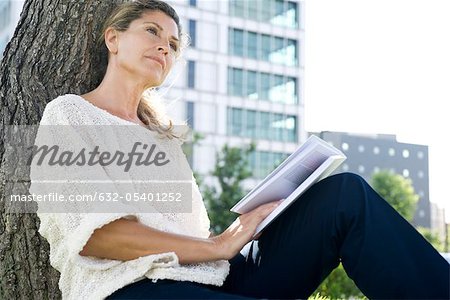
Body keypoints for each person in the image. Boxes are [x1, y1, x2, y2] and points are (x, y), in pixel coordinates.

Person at [31, 1, 449, 299]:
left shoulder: (164, 137)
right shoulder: (69, 114)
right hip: (133, 287)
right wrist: (219, 246)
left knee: (345, 194)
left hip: (215, 275)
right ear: (113, 39)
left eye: (174, 45)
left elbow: (192, 236)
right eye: (153, 31)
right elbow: (96, 235)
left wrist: (251, 227)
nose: (165, 47)